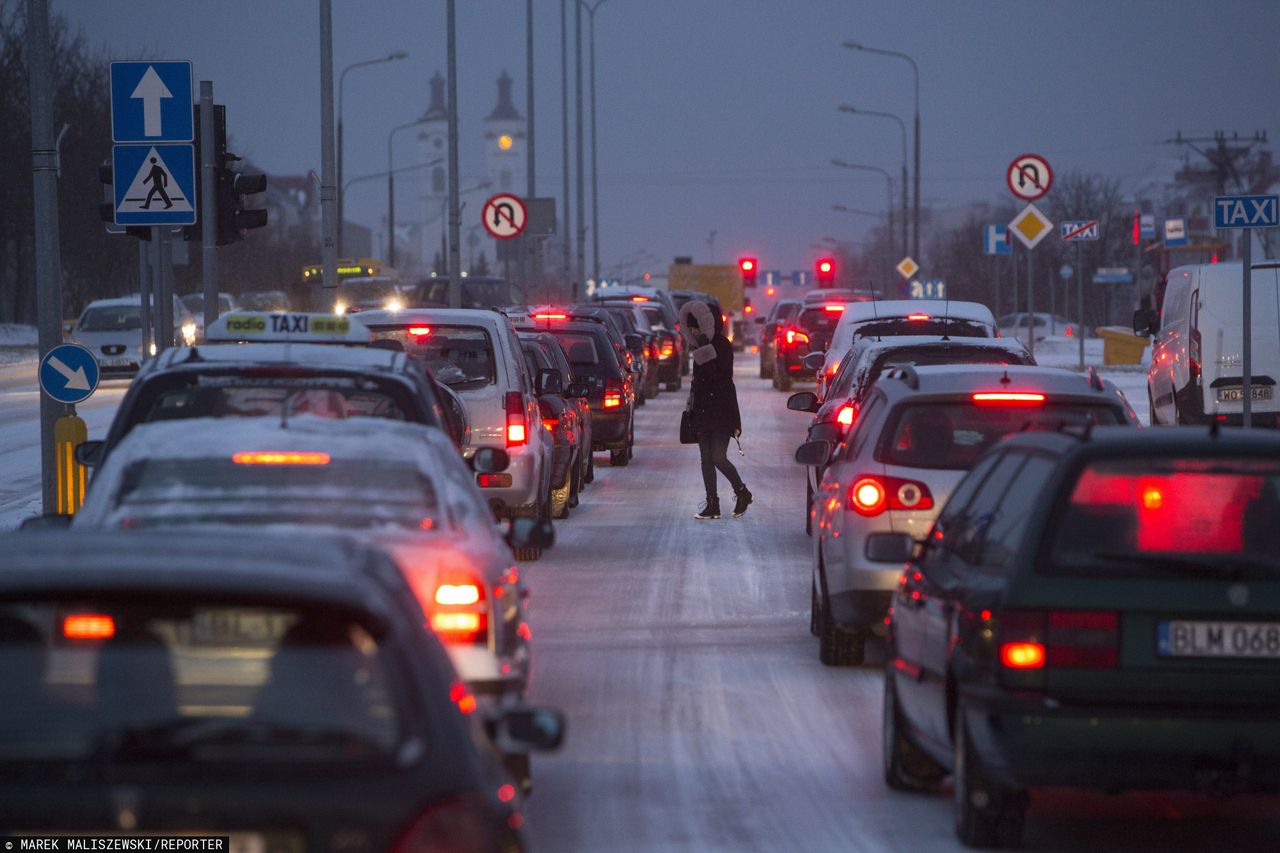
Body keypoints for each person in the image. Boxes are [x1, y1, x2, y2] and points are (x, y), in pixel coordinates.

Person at [679, 299, 751, 520]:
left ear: (706, 324)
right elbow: (697, 382)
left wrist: (703, 351)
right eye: (690, 328)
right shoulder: (698, 346)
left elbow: (720, 377)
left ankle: (742, 492)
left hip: (721, 410)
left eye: (696, 327)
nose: (693, 331)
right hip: (702, 410)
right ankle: (713, 504)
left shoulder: (721, 345)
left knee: (718, 456)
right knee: (706, 459)